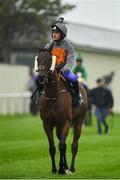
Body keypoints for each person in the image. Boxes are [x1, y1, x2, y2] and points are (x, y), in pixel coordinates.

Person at [34, 17, 83, 106]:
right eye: (53, 32)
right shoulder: (49, 45)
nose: (54, 34)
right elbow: (44, 59)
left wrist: (64, 69)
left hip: (63, 70)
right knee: (37, 78)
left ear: (62, 34)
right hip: (50, 71)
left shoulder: (68, 46)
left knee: (74, 79)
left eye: (56, 33)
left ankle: (77, 98)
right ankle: (40, 95)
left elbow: (71, 60)